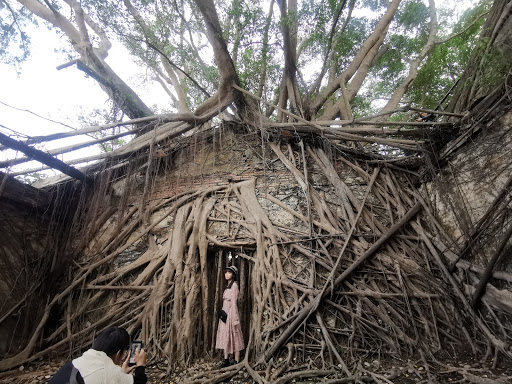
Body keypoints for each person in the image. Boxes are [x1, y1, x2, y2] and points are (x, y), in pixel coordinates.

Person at [48, 327, 147, 384]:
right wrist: (140, 366)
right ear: (118, 353)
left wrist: (121, 373)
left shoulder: (77, 362)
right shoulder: (109, 372)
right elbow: (139, 382)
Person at [215, 265, 244, 367]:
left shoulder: (234, 286)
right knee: (224, 336)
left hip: (231, 314)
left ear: (234, 274)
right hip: (224, 314)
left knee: (234, 335)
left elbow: (233, 303)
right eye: (226, 272)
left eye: (229, 272)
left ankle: (236, 361)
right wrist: (223, 313)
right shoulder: (227, 286)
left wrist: (234, 318)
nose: (226, 274)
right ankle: (226, 360)